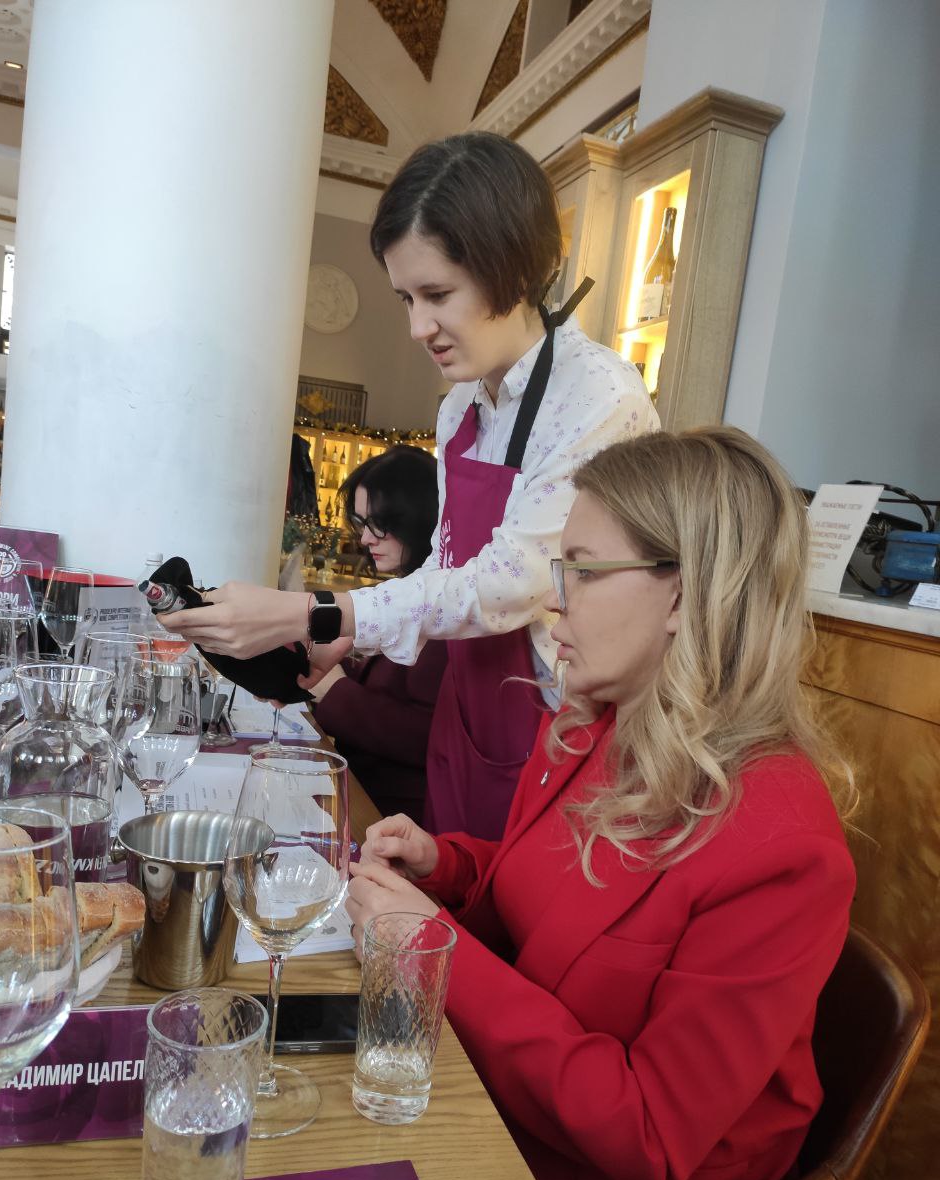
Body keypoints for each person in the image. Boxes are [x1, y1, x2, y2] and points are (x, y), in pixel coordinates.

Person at [345, 426, 857, 1180]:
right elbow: (544, 898)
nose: (557, 603)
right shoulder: (596, 725)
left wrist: (428, 948)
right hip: (518, 1100)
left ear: (686, 596)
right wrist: (447, 864)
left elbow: (650, 1135)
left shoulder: (783, 848)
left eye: (582, 570)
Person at [158, 132, 659, 840]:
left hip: (556, 729)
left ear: (514, 267)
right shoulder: (460, 409)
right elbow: (447, 569)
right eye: (406, 297)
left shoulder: (597, 395)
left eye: (438, 294)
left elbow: (507, 586)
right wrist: (351, 641)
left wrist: (311, 613)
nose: (419, 326)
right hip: (466, 717)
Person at [309, 446, 446, 823]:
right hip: (362, 796)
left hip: (400, 819)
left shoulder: (448, 609)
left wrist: (333, 689)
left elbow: (427, 736)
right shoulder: (406, 592)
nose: (366, 538)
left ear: (420, 517)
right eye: (361, 523)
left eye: (380, 523)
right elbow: (385, 684)